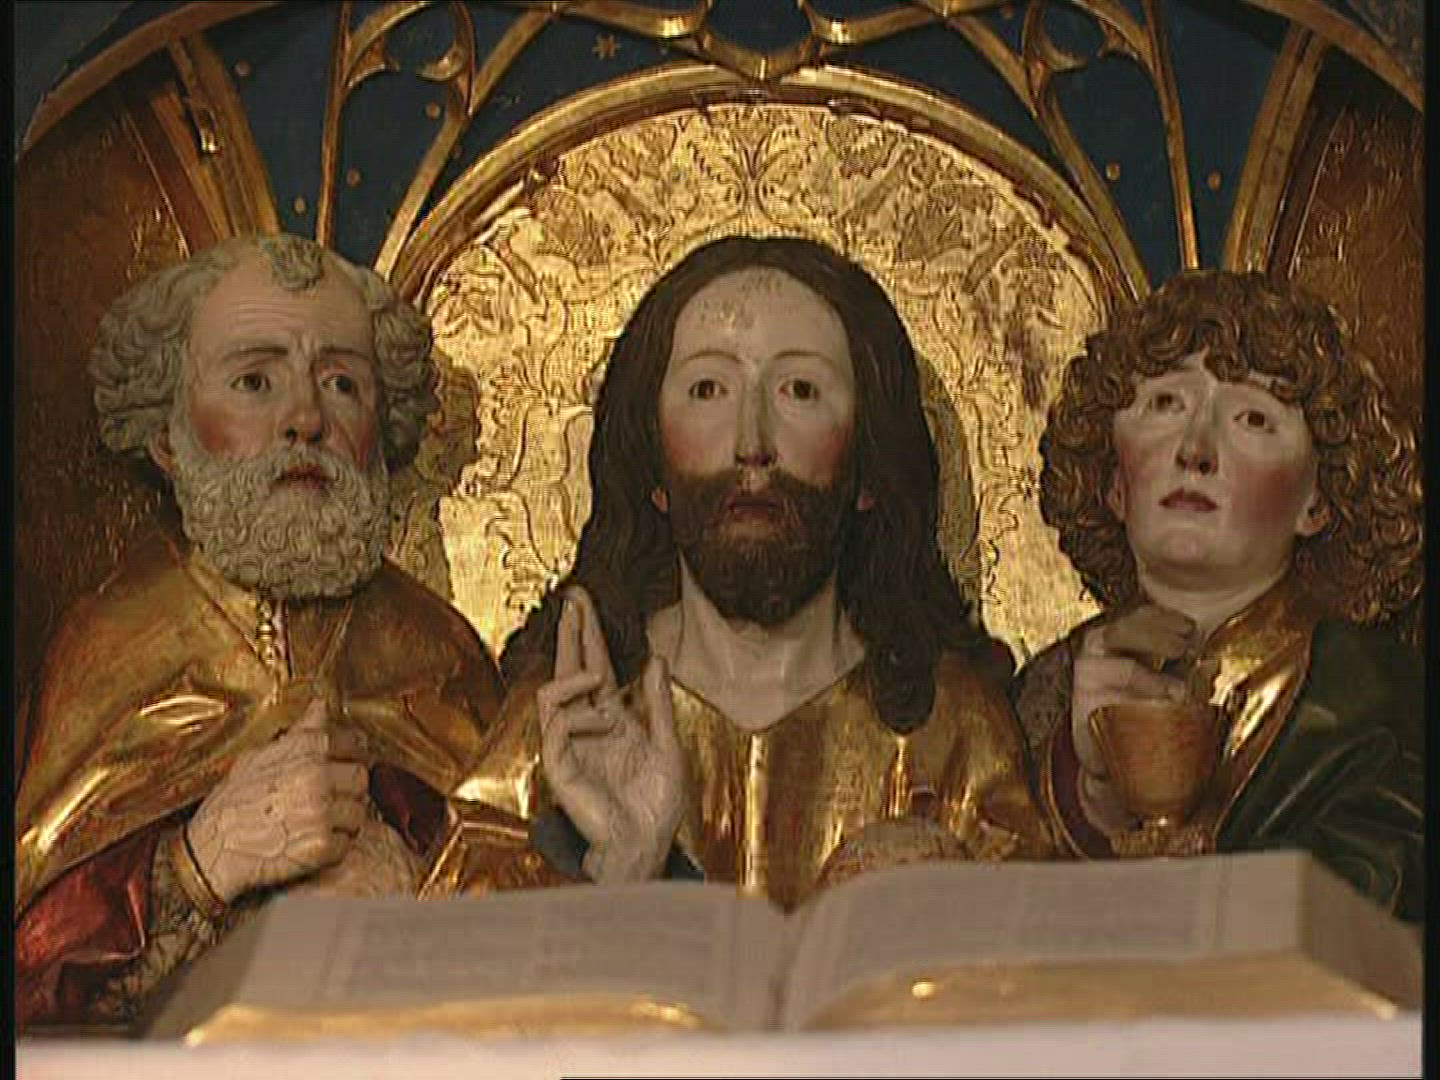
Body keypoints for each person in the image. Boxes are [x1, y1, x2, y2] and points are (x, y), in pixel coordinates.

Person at [442, 235, 1050, 911]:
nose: (751, 443)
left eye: (800, 390)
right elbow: (446, 952)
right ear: (652, 463)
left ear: (868, 467)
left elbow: (1028, 951)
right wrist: (626, 869)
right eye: (708, 389)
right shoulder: (564, 727)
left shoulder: (955, 730)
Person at [15, 234, 506, 1028]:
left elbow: (531, 927)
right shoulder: (108, 650)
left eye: (341, 383)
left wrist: (424, 884)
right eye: (254, 381)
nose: (305, 419)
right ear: (167, 437)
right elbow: (33, 970)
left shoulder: (438, 653)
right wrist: (201, 864)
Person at [1014, 269, 1423, 919]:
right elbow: (979, 910)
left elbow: (1374, 900)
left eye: (1253, 419)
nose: (1195, 451)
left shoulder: (1377, 699)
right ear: (1114, 480)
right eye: (1164, 406)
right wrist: (1091, 792)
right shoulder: (1041, 699)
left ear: (1318, 500)